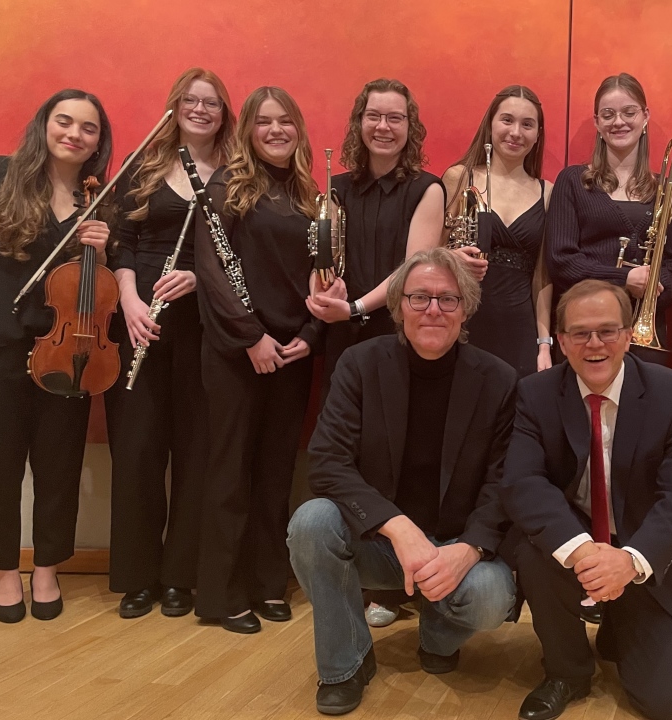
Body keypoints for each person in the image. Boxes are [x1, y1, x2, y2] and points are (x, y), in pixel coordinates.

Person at [288, 248, 518, 716]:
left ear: (466, 309)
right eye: (419, 298)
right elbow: (327, 462)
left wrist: (468, 549)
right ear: (398, 307)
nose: (433, 309)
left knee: (491, 596)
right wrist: (398, 527)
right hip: (381, 544)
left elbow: (504, 483)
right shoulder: (358, 364)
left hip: (453, 545)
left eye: (448, 299)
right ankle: (346, 664)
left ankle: (438, 636)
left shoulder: (499, 379)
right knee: (312, 523)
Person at [0, 89, 112, 623]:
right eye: (65, 121)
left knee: (60, 464)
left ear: (98, 142)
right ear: (44, 124)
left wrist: (102, 249)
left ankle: (47, 568)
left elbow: (101, 285)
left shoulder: (97, 198)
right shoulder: (0, 174)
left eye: (88, 128)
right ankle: (4, 571)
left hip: (69, 349)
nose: (74, 134)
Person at [502, 279, 672, 720]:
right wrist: (582, 551)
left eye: (608, 331)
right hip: (578, 542)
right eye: (580, 333)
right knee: (534, 551)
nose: (594, 344)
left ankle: (620, 622)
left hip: (646, 551)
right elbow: (523, 483)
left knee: (664, 703)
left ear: (629, 336)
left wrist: (629, 561)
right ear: (561, 342)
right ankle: (567, 672)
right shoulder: (535, 394)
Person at [304, 78, 446, 628]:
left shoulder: (427, 189)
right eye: (374, 116)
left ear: (411, 127)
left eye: (395, 118)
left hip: (400, 334)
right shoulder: (335, 189)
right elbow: (321, 259)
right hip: (344, 334)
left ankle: (409, 579)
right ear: (359, 122)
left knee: (401, 453)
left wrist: (355, 308)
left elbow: (414, 268)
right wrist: (325, 295)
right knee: (354, 456)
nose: (383, 127)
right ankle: (365, 581)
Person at [192, 86, 323, 634]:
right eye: (264, 121)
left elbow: (324, 276)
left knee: (275, 472)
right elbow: (210, 272)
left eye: (285, 120)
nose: (276, 130)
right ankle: (222, 593)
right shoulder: (225, 186)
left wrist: (311, 334)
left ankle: (269, 581)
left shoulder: (310, 195)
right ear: (247, 129)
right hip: (237, 350)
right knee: (230, 471)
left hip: (292, 353)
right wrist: (251, 337)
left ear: (298, 129)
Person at [105, 67, 234, 619]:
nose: (200, 110)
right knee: (136, 451)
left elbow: (240, 252)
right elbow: (121, 242)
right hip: (141, 322)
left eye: (211, 102)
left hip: (205, 325)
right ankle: (137, 577)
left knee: (197, 452)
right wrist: (129, 301)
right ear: (174, 107)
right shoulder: (143, 166)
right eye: (190, 100)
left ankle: (180, 575)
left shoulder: (235, 174)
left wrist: (200, 278)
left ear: (224, 114)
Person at [545, 73, 672, 360]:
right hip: (585, 328)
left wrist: (655, 285)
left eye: (629, 112)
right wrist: (624, 278)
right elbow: (561, 262)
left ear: (645, 116)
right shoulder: (572, 181)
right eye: (608, 115)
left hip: (644, 333)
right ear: (597, 122)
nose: (618, 122)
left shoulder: (665, 189)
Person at [443, 84, 554, 377]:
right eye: (507, 120)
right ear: (490, 124)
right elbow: (427, 255)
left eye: (527, 124)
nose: (516, 132)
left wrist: (544, 344)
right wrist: (450, 257)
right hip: (463, 320)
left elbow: (542, 277)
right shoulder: (459, 177)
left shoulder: (547, 193)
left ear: (538, 134)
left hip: (519, 329)